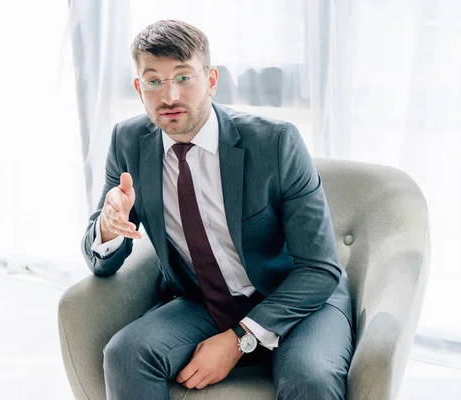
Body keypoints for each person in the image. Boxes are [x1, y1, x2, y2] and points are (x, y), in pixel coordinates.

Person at [82, 19, 353, 400]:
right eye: (153, 81)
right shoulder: (127, 142)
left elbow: (320, 268)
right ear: (138, 88)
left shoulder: (275, 142)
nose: (169, 95)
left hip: (297, 298)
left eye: (183, 77)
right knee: (125, 354)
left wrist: (239, 339)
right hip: (204, 300)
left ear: (211, 81)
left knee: (310, 378)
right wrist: (110, 228)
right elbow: (101, 262)